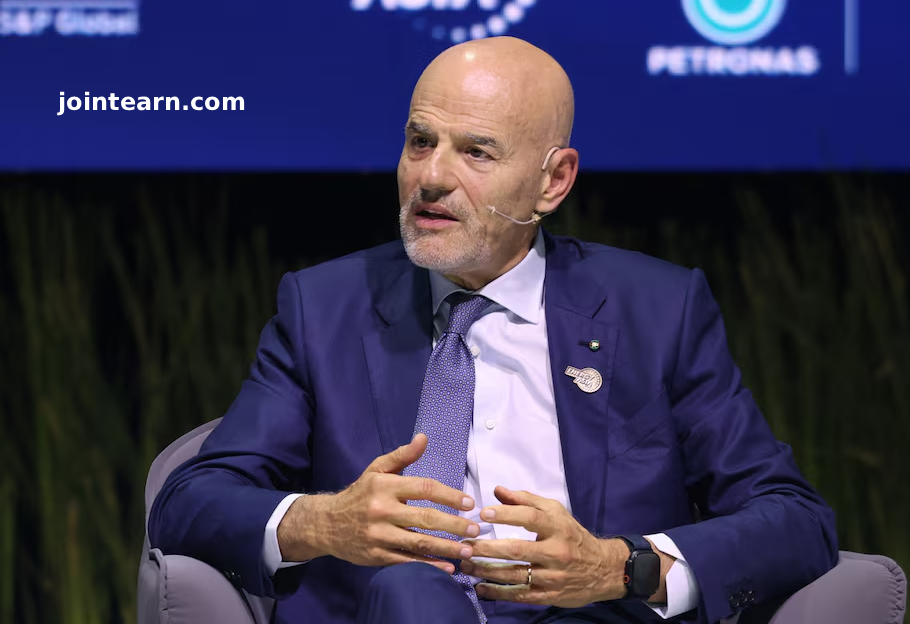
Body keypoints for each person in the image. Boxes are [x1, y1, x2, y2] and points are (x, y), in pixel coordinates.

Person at [149, 37, 838, 624]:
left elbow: (795, 518)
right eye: (420, 142)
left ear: (552, 181)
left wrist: (619, 565)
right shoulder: (324, 308)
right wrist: (326, 522)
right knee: (411, 587)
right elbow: (190, 501)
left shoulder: (656, 310)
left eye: (476, 152)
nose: (431, 177)